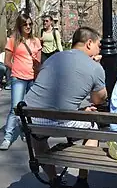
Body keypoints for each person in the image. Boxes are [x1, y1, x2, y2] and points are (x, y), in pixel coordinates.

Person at [24, 27, 107, 188]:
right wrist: (96, 69)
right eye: (98, 45)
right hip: (61, 121)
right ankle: (82, 180)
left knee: (37, 136)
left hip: (31, 118)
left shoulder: (54, 58)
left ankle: (54, 180)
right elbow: (98, 98)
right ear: (89, 43)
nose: (99, 49)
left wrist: (79, 110)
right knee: (93, 128)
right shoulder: (95, 67)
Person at [0, 14, 42, 150]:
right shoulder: (13, 40)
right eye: (25, 24)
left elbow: (39, 64)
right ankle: (7, 137)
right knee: (15, 108)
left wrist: (36, 65)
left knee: (29, 109)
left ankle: (26, 131)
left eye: (30, 24)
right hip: (18, 78)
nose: (28, 27)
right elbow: (7, 61)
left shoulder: (36, 41)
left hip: (32, 78)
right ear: (20, 26)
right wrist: (17, 70)